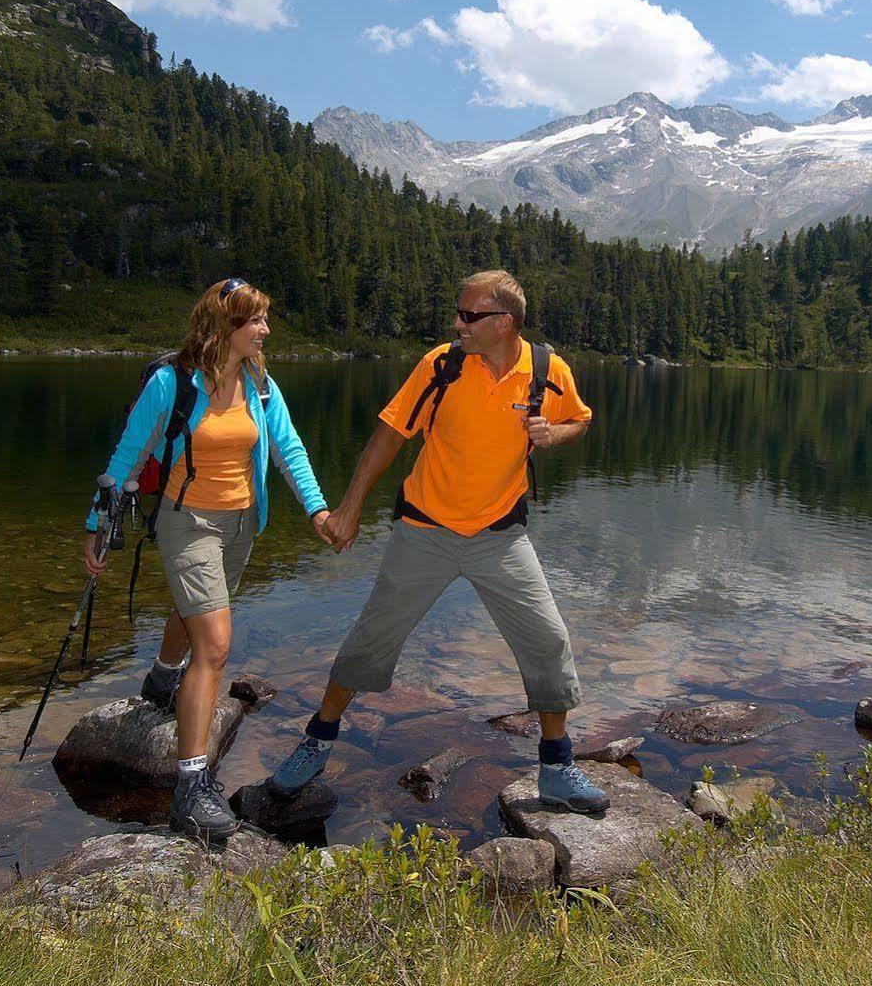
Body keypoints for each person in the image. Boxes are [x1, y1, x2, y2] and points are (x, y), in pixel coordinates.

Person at [265, 269, 609, 814]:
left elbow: (581, 420)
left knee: (547, 641)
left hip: (500, 536)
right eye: (459, 312)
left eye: (470, 315)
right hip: (424, 530)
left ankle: (557, 767)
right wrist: (350, 509)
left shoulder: (547, 370)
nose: (459, 323)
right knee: (370, 639)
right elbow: (390, 434)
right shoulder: (442, 365)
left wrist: (554, 432)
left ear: (506, 323)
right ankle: (316, 740)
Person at [82, 277, 329, 843]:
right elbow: (127, 455)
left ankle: (162, 679)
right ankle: (190, 791)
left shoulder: (260, 384)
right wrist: (96, 526)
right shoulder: (172, 384)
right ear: (226, 327)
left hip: (242, 524)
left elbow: (288, 448)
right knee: (215, 643)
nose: (266, 330)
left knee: (194, 613)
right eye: (256, 321)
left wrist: (317, 511)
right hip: (185, 522)